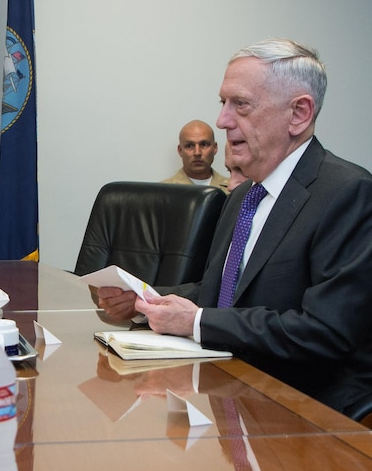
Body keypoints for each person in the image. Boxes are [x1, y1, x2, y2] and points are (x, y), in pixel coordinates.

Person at [97, 39, 372, 415]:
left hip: (302, 414)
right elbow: (223, 291)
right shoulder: (245, 198)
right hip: (231, 397)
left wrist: (196, 321)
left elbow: (323, 332)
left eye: (240, 104)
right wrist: (144, 302)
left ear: (299, 114)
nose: (223, 120)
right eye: (223, 104)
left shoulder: (348, 193)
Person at [160, 119, 230, 192]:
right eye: (190, 146)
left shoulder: (233, 189)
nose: (197, 153)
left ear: (215, 148)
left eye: (204, 144)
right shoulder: (163, 192)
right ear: (180, 150)